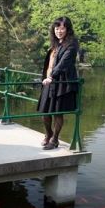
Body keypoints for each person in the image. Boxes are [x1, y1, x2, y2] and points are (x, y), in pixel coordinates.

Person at [37, 16, 79, 150]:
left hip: (61, 83)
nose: (59, 31)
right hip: (49, 82)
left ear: (67, 29)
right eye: (57, 28)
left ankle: (55, 139)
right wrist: (46, 77)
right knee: (45, 112)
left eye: (62, 28)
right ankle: (48, 133)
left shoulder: (72, 44)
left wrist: (52, 76)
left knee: (58, 113)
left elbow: (63, 63)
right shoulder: (55, 44)